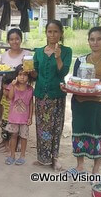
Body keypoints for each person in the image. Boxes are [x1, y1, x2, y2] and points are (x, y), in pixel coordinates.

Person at [65, 26, 101, 179]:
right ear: (88, 41)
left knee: (97, 135)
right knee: (79, 133)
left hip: (99, 104)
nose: (95, 42)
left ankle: (96, 170)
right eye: (92, 39)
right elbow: (74, 81)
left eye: (99, 39)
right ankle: (80, 166)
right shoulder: (81, 60)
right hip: (81, 103)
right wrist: (68, 87)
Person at [32, 20, 72, 170]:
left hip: (57, 94)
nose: (52, 34)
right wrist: (29, 70)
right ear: (46, 33)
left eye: (56, 31)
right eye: (50, 31)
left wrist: (58, 57)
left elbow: (63, 73)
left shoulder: (67, 51)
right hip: (41, 95)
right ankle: (43, 158)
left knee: (56, 127)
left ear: (61, 33)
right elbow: (36, 74)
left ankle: (55, 158)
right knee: (42, 127)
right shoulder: (38, 52)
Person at [4, 65, 34, 165]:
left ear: (29, 77)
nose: (22, 77)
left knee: (24, 137)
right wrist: (12, 86)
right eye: (20, 74)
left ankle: (22, 156)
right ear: (16, 76)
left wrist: (30, 117)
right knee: (13, 136)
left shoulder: (30, 89)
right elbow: (10, 97)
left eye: (25, 75)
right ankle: (12, 155)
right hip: (14, 118)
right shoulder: (12, 86)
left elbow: (30, 103)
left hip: (24, 119)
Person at [0, 78, 11, 152]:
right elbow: (1, 106)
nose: (4, 91)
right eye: (3, 89)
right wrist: (1, 117)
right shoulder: (4, 97)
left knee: (11, 133)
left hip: (12, 120)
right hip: (4, 118)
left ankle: (8, 146)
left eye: (7, 89)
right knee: (4, 132)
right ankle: (4, 143)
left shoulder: (13, 99)